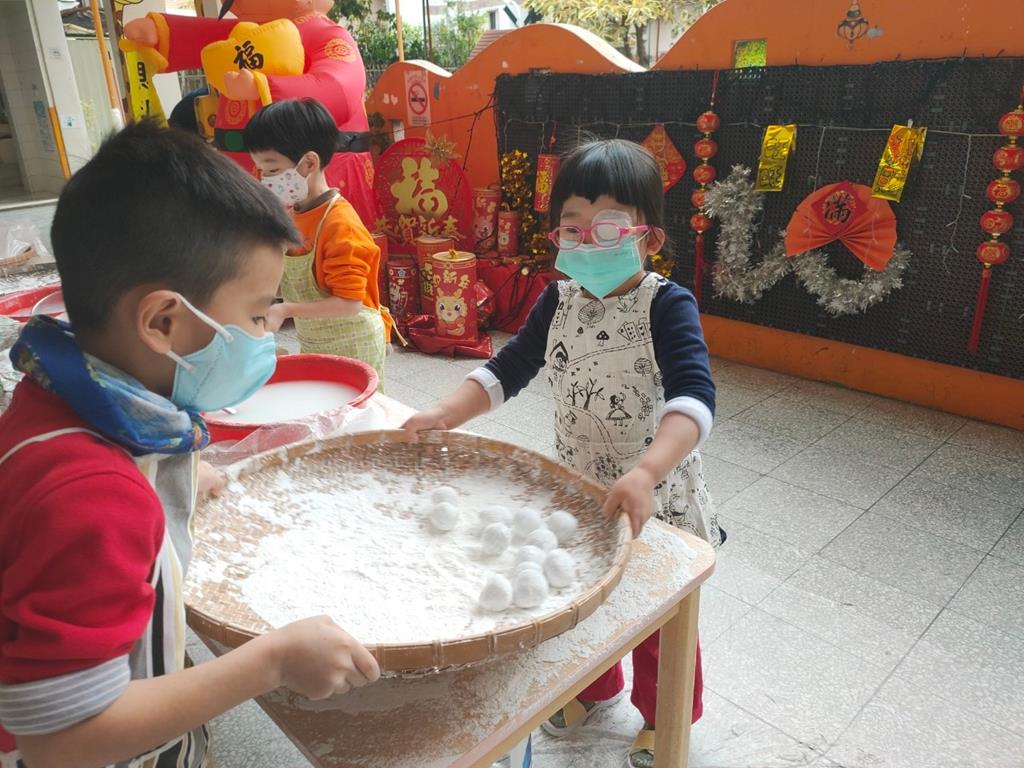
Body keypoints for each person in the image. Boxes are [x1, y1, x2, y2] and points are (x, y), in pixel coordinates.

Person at [0, 121, 380, 768]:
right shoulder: (92, 495)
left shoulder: (64, 411)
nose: (265, 334)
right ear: (162, 322)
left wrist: (166, 477)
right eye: (256, 315)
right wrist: (272, 661)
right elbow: (62, 741)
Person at [403, 139, 723, 768]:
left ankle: (665, 719)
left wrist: (648, 471)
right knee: (586, 598)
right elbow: (509, 368)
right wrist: (445, 413)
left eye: (608, 228)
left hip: (654, 494)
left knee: (659, 618)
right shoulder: (558, 299)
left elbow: (694, 397)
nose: (587, 245)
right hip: (582, 489)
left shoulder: (666, 305)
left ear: (649, 239)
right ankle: (592, 689)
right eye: (573, 229)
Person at [246, 98, 390, 384]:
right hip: (315, 339)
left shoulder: (340, 224)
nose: (265, 180)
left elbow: (349, 303)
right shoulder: (292, 216)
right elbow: (286, 278)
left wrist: (285, 309)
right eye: (260, 170)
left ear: (309, 163)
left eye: (272, 170)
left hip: (356, 342)